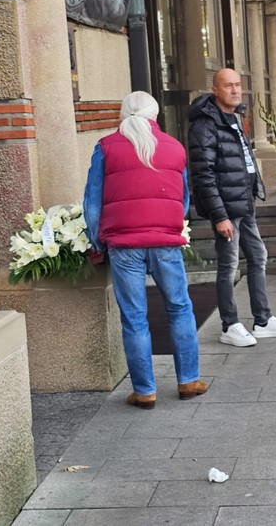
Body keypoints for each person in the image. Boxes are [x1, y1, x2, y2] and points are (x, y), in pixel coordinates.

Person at [83, 91, 206, 410]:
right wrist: (169, 224)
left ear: (123, 115)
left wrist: (97, 241)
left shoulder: (105, 147)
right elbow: (183, 199)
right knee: (180, 307)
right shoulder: (174, 147)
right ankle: (188, 380)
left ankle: (145, 390)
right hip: (165, 242)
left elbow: (93, 202)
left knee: (134, 317)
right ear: (155, 115)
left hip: (124, 244)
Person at [188, 69, 276, 347]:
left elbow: (243, 160)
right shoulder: (205, 124)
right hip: (226, 208)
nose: (235, 90)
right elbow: (203, 174)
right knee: (229, 265)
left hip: (243, 203)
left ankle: (263, 320)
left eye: (238, 84)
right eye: (228, 86)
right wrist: (219, 215)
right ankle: (230, 325)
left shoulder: (234, 117)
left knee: (258, 256)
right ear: (215, 90)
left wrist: (254, 190)